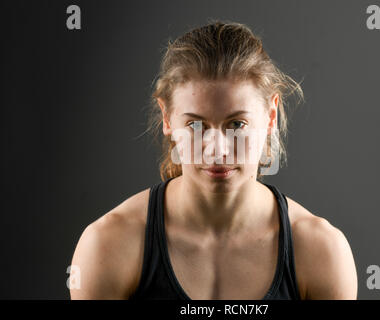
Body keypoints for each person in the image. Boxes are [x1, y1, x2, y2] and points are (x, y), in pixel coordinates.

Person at [70, 20, 358, 300]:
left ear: (271, 115)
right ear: (167, 118)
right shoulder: (110, 245)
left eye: (236, 125)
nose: (218, 151)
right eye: (196, 126)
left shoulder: (320, 251)